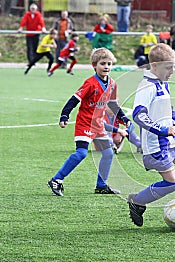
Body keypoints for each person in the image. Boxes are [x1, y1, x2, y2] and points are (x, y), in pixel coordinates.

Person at [127, 43, 175, 227]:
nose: (172, 71)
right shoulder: (146, 87)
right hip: (156, 144)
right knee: (172, 183)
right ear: (154, 66)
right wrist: (162, 130)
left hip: (172, 140)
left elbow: (167, 110)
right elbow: (139, 115)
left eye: (173, 67)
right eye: (168, 67)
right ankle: (137, 201)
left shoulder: (163, 83)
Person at [48, 48, 132, 196]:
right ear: (94, 65)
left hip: (98, 125)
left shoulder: (112, 84)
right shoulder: (90, 83)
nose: (106, 67)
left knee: (108, 153)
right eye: (102, 63)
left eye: (109, 64)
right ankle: (56, 180)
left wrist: (123, 118)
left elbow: (113, 105)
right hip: (85, 123)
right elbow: (74, 100)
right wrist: (64, 115)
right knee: (81, 153)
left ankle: (101, 185)